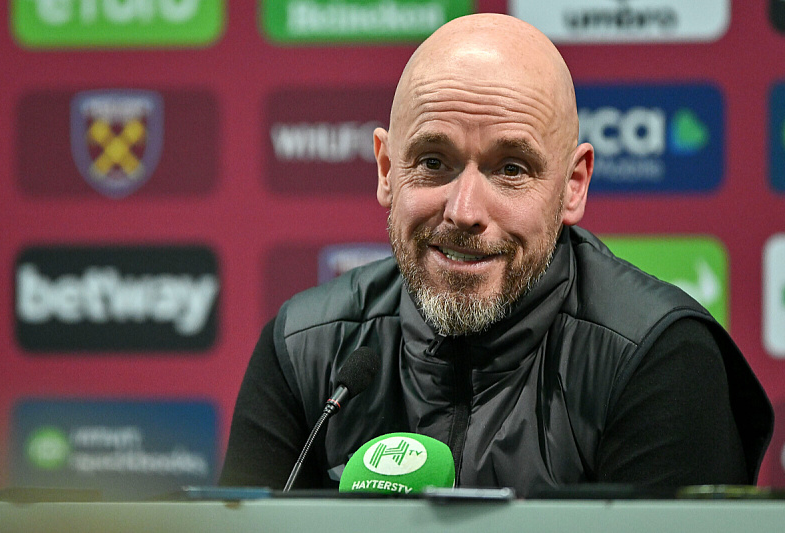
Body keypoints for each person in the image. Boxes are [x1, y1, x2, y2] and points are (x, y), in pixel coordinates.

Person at [220, 14, 773, 494]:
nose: (463, 211)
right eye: (433, 161)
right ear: (388, 171)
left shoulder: (654, 358)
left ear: (573, 185)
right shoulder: (307, 349)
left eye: (511, 169)